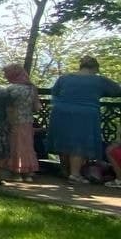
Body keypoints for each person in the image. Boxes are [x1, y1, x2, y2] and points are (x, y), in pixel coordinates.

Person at [46, 55, 121, 184]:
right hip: (85, 113)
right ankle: (75, 175)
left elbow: (55, 92)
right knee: (79, 143)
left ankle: (65, 170)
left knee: (64, 140)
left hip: (60, 112)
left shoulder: (64, 78)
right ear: (95, 68)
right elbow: (117, 91)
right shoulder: (99, 80)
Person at [2, 64, 41, 181]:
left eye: (6, 73)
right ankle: (28, 173)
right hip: (27, 121)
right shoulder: (31, 88)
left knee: (15, 146)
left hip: (13, 121)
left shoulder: (10, 89)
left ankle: (16, 173)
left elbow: (6, 107)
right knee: (27, 146)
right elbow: (37, 107)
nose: (5, 76)